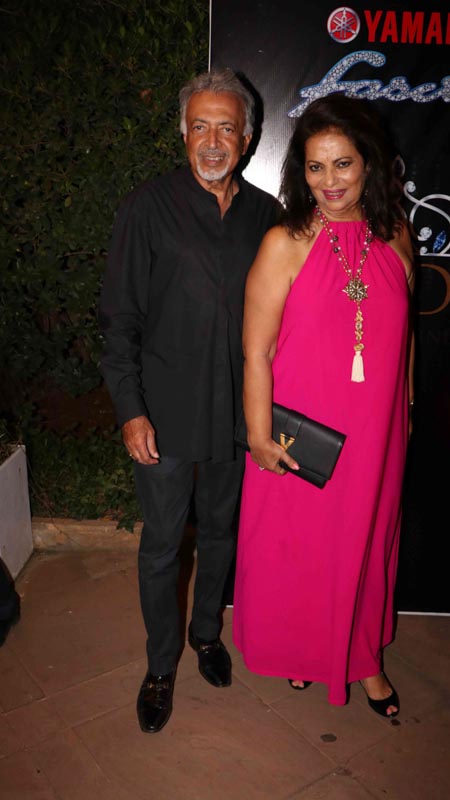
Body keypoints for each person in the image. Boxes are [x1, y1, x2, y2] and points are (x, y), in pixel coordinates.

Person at [98, 67, 281, 734]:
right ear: (182, 135)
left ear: (247, 138)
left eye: (225, 128)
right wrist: (130, 410)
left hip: (237, 414)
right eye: (199, 127)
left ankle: (206, 633)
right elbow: (119, 320)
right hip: (165, 415)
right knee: (162, 545)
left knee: (223, 532)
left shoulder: (267, 215)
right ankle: (159, 666)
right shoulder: (146, 207)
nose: (211, 141)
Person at [232, 92, 415, 713]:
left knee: (366, 546)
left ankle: (364, 660)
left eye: (342, 164)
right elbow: (256, 351)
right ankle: (305, 650)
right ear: (301, 171)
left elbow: (406, 340)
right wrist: (260, 436)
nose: (329, 181)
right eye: (315, 166)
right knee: (303, 551)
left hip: (376, 435)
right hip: (304, 436)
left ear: (368, 163)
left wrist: (406, 413)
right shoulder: (284, 243)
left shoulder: (397, 236)